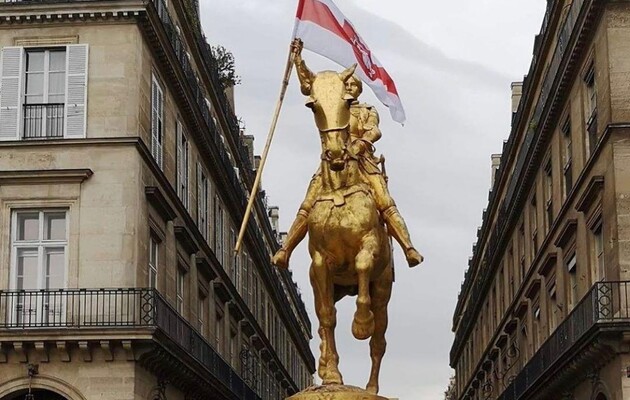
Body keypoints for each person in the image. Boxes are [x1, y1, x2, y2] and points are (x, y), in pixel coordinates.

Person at [272, 44, 423, 268]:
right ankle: (285, 250)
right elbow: (308, 84)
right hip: (332, 160)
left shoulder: (366, 110)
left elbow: (374, 130)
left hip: (362, 162)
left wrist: (362, 144)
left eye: (353, 84)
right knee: (308, 204)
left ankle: (408, 248)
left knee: (385, 202)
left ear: (358, 89)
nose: (350, 87)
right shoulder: (333, 108)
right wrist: (297, 59)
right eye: (347, 85)